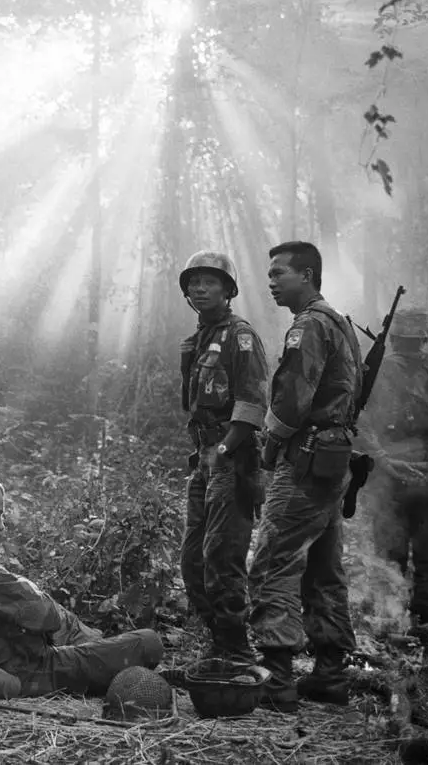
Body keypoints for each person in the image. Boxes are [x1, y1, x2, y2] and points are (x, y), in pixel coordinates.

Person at [0, 471, 164, 699]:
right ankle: (97, 647)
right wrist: (25, 587)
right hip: (30, 669)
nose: (1, 525)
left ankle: (95, 643)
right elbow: (48, 617)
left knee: (85, 637)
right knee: (149, 642)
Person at [252, 241, 362, 711]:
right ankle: (331, 674)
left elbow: (293, 399)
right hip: (333, 459)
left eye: (281, 273)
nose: (272, 280)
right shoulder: (339, 322)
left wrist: (270, 443)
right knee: (322, 567)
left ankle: (277, 679)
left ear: (309, 275)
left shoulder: (310, 326)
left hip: (306, 458)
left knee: (273, 560)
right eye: (270, 272)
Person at [177, 251, 269, 664]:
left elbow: (251, 404)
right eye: (194, 282)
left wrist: (224, 450)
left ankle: (235, 651)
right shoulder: (197, 340)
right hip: (206, 459)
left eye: (210, 282)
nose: (200, 288)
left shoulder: (240, 336)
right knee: (192, 557)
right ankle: (215, 639)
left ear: (228, 290)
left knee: (222, 555)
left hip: (232, 461)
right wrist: (204, 454)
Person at [357, 308, 428, 640]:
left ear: (393, 337)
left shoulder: (375, 372)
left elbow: (358, 422)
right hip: (418, 474)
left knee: (391, 551)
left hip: (398, 473)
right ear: (425, 335)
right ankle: (426, 621)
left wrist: (394, 457)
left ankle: (393, 620)